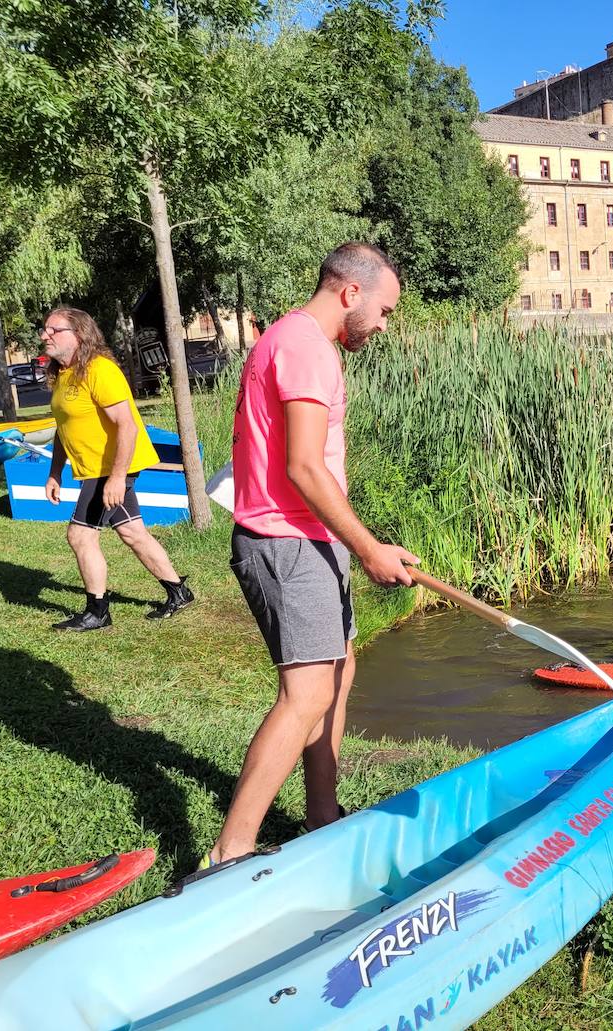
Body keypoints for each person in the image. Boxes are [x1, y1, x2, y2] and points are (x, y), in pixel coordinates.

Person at [204, 242, 416, 869]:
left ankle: (321, 813)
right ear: (351, 293)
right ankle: (230, 850)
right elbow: (301, 465)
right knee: (306, 694)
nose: (383, 324)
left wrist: (355, 545)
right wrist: (369, 547)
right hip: (285, 543)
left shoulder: (295, 342)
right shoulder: (304, 348)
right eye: (383, 310)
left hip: (309, 540)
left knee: (338, 673)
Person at [40, 307, 194, 631]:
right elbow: (63, 428)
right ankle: (178, 592)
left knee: (81, 535)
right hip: (97, 469)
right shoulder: (62, 374)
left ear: (79, 334)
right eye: (45, 330)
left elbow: (127, 426)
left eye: (54, 330)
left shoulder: (99, 370)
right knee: (132, 532)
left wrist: (118, 477)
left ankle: (98, 612)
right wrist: (55, 472)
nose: (45, 336)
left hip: (109, 469)